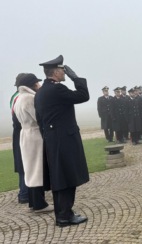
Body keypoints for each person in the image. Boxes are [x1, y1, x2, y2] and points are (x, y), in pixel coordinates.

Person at [34, 55, 89, 227]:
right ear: (56, 72)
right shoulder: (57, 89)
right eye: (63, 70)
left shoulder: (41, 92)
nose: (64, 72)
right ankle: (65, 216)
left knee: (60, 178)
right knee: (67, 178)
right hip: (64, 139)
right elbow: (83, 96)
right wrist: (76, 78)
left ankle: (63, 214)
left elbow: (39, 119)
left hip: (53, 139)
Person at [14, 73, 54, 213]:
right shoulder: (30, 98)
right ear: (32, 84)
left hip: (25, 134)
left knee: (30, 168)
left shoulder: (19, 98)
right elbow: (38, 117)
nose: (39, 85)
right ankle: (39, 203)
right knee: (37, 168)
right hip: (35, 134)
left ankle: (33, 201)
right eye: (37, 83)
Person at [10, 73, 29, 204]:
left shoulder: (14, 96)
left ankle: (24, 192)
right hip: (22, 131)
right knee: (24, 163)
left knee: (23, 162)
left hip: (18, 132)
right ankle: (24, 193)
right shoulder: (20, 98)